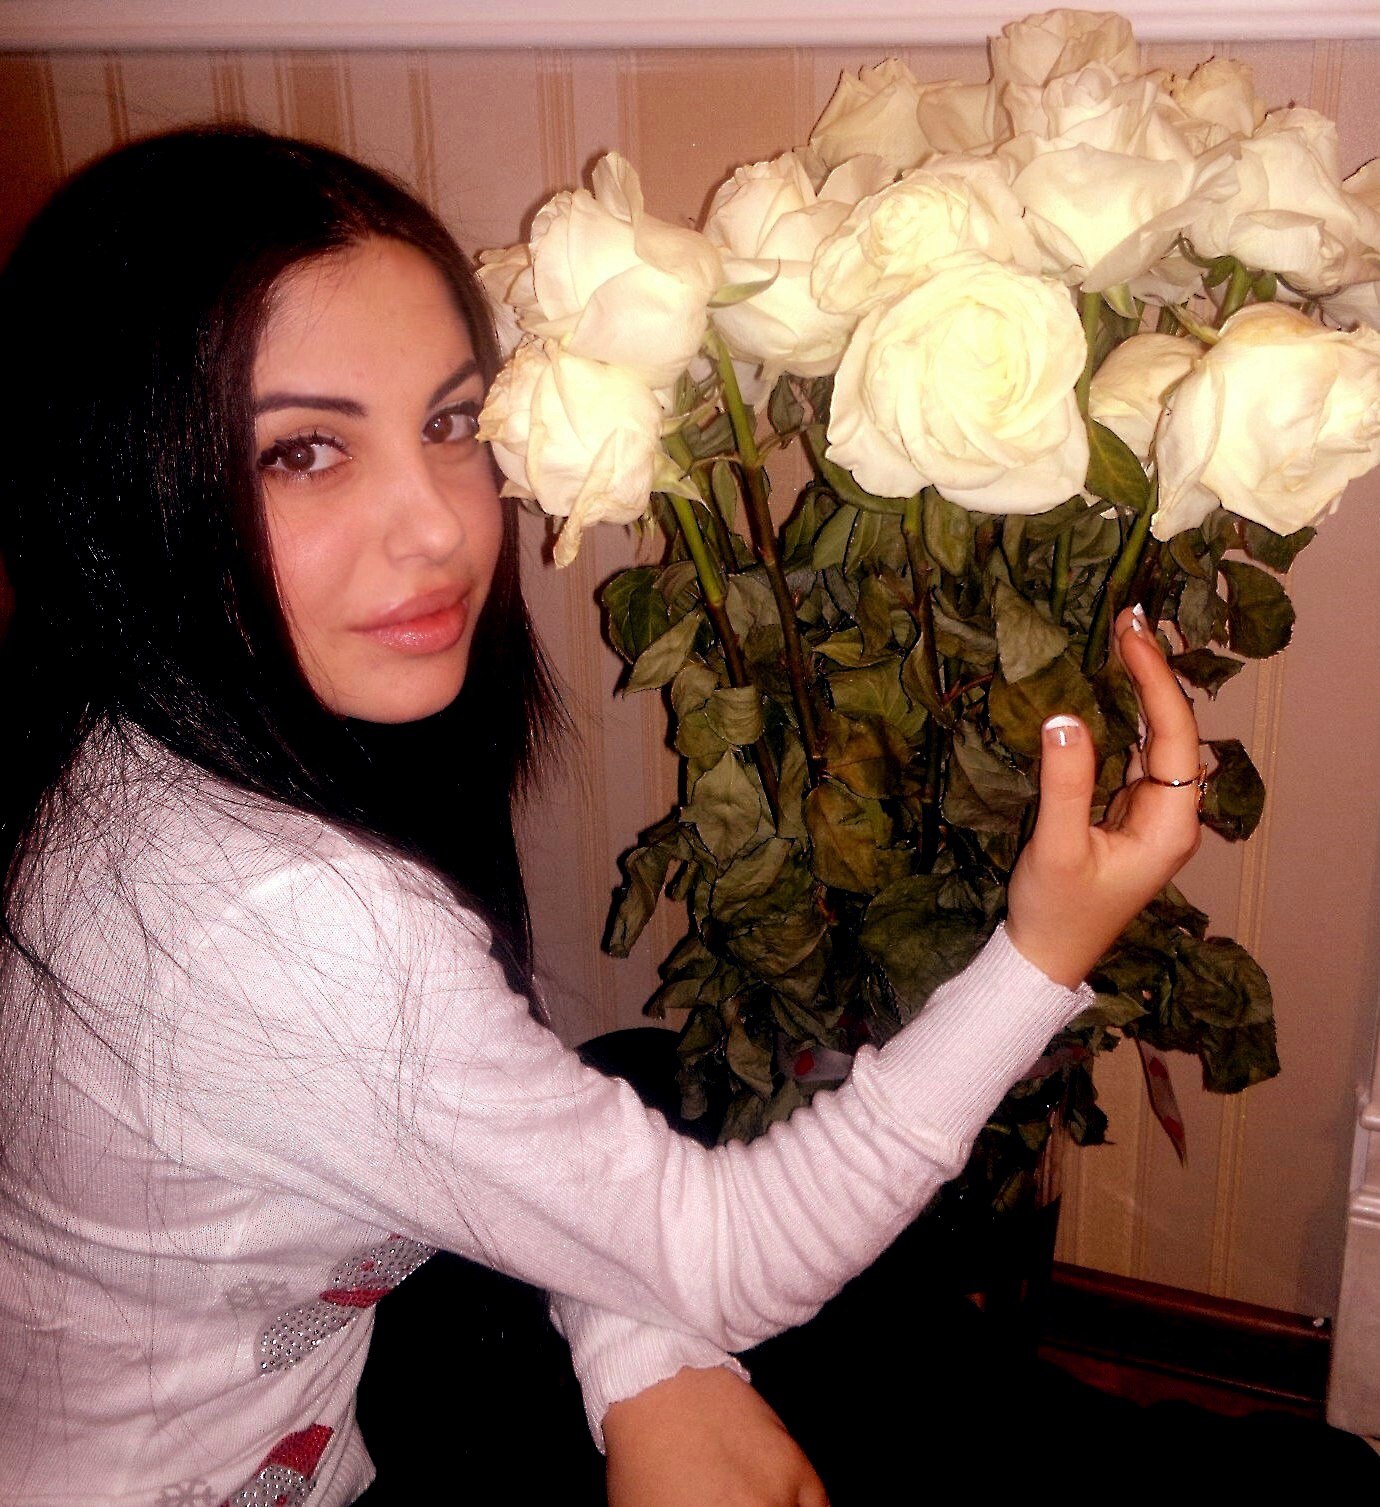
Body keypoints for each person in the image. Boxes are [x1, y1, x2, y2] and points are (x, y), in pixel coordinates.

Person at [0, 126, 1203, 1507]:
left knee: (650, 1082)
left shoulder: (115, 727)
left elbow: (452, 1124)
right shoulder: (283, 919)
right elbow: (734, 1259)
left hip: (340, 1365)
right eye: (305, 452)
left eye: (451, 423)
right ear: (119, 484)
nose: (440, 528)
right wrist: (1043, 953)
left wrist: (638, 1350)